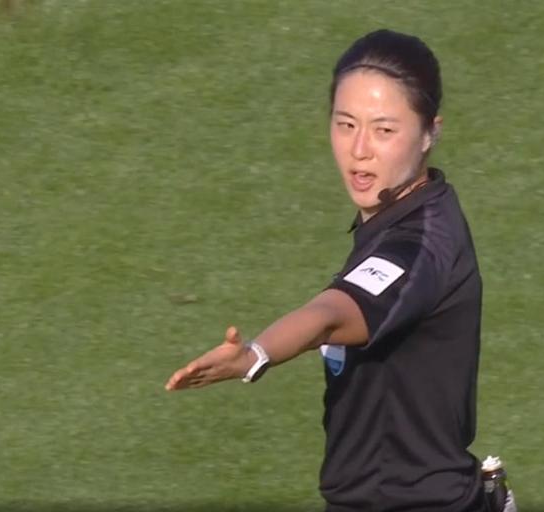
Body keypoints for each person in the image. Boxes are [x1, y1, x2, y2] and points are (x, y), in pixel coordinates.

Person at [166, 29, 486, 512]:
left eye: (384, 130)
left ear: (430, 133)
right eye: (345, 124)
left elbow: (332, 314)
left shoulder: (419, 243)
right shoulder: (402, 216)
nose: (359, 149)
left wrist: (256, 354)